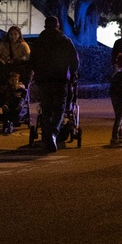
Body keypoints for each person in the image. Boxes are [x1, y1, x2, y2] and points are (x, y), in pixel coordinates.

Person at [29, 15, 79, 153]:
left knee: (46, 109)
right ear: (58, 26)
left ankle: (46, 135)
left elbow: (32, 61)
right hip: (60, 79)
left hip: (44, 80)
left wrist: (36, 73)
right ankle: (53, 132)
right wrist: (72, 73)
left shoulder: (39, 42)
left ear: (45, 26)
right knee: (59, 108)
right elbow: (74, 60)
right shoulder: (65, 41)